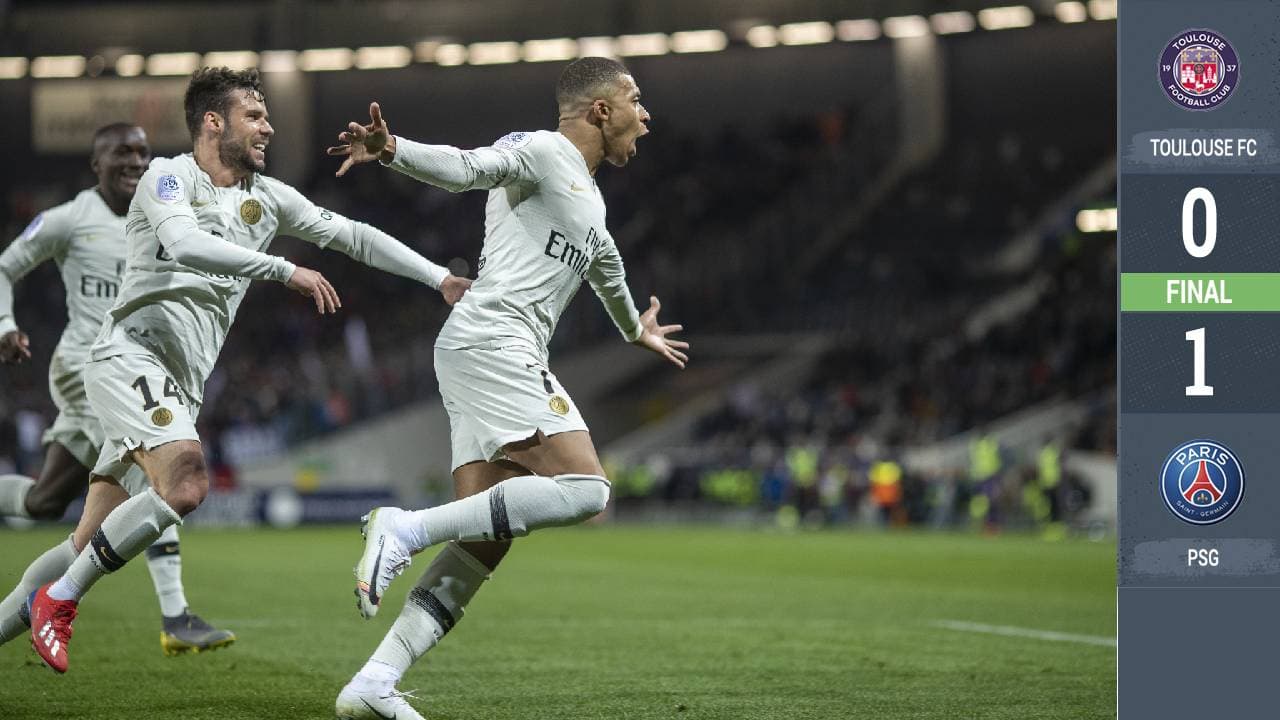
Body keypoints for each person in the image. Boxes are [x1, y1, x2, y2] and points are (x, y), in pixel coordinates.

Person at [21, 66, 470, 674]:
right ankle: (62, 601)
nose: (269, 127)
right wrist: (284, 269)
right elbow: (185, 244)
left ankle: (29, 606)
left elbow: (355, 237)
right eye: (254, 116)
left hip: (180, 385)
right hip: (129, 355)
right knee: (185, 483)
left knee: (83, 542)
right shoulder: (167, 177)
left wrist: (438, 278)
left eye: (267, 116)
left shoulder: (269, 198)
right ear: (214, 122)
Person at [327, 56, 688, 720]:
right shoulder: (541, 151)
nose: (646, 115)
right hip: (495, 341)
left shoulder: (588, 197)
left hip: (479, 350)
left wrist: (634, 329)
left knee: (483, 541)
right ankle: (404, 528)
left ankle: (374, 682)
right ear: (600, 109)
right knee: (587, 489)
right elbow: (467, 168)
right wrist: (394, 149)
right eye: (636, 100)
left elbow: (607, 270)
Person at [0, 123, 234, 656]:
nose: (135, 161)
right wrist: (5, 324)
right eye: (121, 152)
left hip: (135, 366)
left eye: (143, 152)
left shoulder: (163, 213)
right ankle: (175, 615)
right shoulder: (68, 219)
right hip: (90, 367)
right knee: (158, 466)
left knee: (46, 502)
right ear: (96, 164)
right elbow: (5, 267)